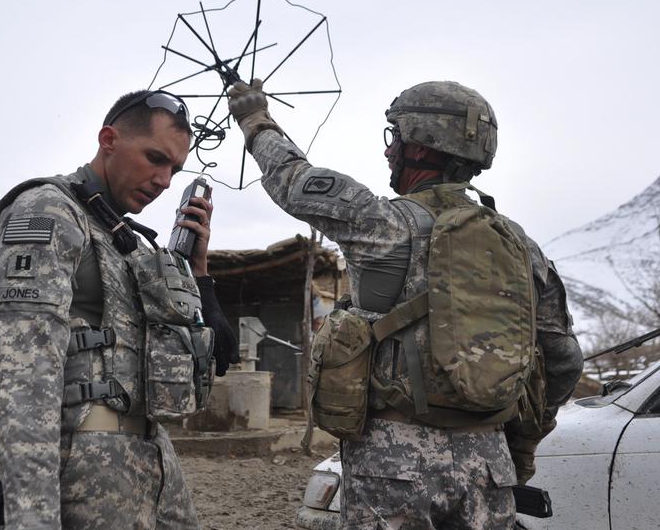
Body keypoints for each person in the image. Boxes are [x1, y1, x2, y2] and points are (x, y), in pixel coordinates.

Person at [228, 79, 583, 529]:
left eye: (394, 137)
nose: (388, 151)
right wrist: (522, 442)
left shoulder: (383, 224)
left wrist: (255, 119)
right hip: (490, 463)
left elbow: (293, 180)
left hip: (392, 466)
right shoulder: (523, 248)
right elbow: (564, 359)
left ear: (422, 145)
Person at [0, 89, 238, 529]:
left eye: (174, 169)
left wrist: (198, 272)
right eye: (154, 158)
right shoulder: (48, 210)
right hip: (85, 462)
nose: (164, 180)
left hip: (150, 454)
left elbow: (195, 349)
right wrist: (32, 518)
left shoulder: (125, 238)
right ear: (109, 139)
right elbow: (22, 376)